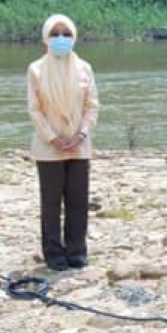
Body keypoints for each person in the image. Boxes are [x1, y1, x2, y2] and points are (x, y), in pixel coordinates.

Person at [27, 14, 100, 272]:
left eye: (66, 33)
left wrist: (81, 134)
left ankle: (77, 251)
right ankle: (54, 254)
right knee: (51, 202)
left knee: (78, 200)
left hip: (79, 145)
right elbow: (35, 110)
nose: (61, 38)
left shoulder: (84, 68)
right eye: (55, 33)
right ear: (46, 37)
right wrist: (53, 138)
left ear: (74, 37)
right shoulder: (36, 69)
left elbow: (92, 106)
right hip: (49, 147)